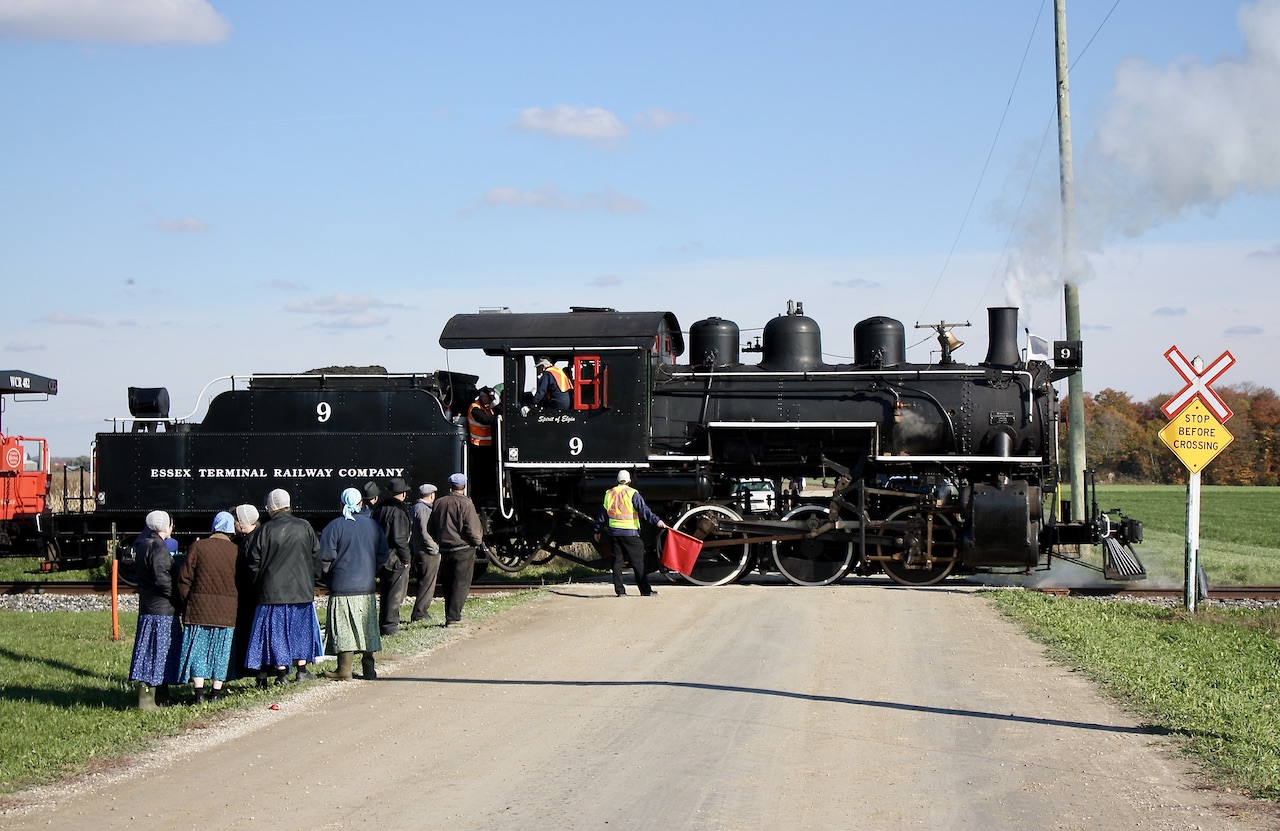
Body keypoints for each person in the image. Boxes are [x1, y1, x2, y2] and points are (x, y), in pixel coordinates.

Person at [244, 489, 323, 686]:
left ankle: (281, 674)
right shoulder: (305, 526)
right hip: (301, 592)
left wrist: (255, 584)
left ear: (271, 507)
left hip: (272, 593)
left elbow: (253, 563)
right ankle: (302, 670)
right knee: (301, 631)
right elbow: (316, 557)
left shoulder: (264, 530)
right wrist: (313, 579)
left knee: (277, 633)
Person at [318, 488, 389, 680]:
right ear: (361, 504)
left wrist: (326, 577)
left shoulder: (334, 526)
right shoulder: (373, 526)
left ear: (341, 504)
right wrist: (372, 570)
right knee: (367, 627)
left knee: (344, 628)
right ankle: (369, 668)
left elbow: (324, 558)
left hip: (341, 586)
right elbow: (383, 555)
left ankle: (344, 670)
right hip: (366, 586)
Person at [174, 512, 240, 704]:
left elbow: (184, 579)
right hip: (227, 612)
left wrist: (190, 600)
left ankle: (198, 693)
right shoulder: (236, 551)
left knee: (198, 651)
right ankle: (216, 693)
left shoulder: (198, 546)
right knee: (221, 651)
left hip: (198, 610)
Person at [128, 510, 181, 709]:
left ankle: (160, 695)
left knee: (151, 651)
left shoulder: (144, 544)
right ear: (164, 526)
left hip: (149, 607)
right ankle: (149, 700)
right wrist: (176, 596)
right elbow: (162, 579)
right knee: (159, 653)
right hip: (161, 610)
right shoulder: (159, 548)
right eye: (170, 524)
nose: (172, 527)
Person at [593, 470, 668, 597]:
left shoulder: (609, 493)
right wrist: (657, 521)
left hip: (614, 533)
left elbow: (602, 515)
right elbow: (644, 511)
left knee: (617, 562)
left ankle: (620, 591)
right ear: (629, 481)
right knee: (638, 563)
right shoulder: (632, 493)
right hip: (630, 533)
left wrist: (597, 530)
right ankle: (645, 590)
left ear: (617, 480)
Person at [427, 473, 484, 627]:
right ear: (464, 486)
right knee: (460, 584)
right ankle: (454, 617)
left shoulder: (439, 502)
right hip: (463, 549)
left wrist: (439, 540)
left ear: (450, 485)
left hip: (445, 549)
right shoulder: (466, 504)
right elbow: (472, 528)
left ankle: (449, 615)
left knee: (448, 583)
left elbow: (430, 527)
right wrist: (477, 542)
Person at [372, 476, 412, 635]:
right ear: (403, 494)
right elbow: (399, 539)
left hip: (381, 556)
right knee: (394, 594)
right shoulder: (399, 512)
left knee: (384, 592)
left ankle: (383, 624)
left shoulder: (379, 509)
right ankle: (390, 626)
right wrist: (406, 558)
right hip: (395, 558)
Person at [230, 503, 261, 680]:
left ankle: (247, 667)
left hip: (249, 593)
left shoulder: (248, 541)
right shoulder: (258, 536)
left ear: (242, 523)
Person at [409, 483, 441, 623]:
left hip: (419, 550)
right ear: (431, 495)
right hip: (426, 552)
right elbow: (424, 532)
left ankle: (420, 612)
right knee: (427, 583)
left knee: (425, 581)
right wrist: (434, 548)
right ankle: (420, 613)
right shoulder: (423, 509)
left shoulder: (415, 507)